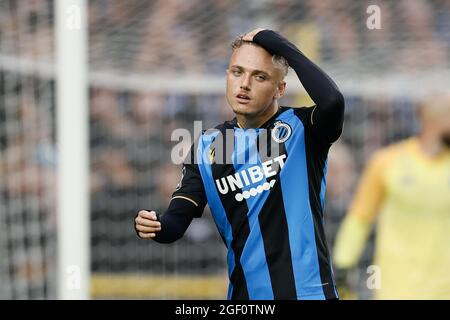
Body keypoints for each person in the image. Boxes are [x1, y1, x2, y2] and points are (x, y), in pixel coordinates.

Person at [134, 28, 345, 300]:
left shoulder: (303, 129)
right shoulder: (209, 146)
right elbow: (176, 221)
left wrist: (278, 43)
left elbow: (332, 100)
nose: (244, 84)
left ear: (280, 88)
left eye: (260, 76)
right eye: (237, 72)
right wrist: (156, 225)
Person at [333, 93, 450, 299]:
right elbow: (360, 218)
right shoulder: (387, 162)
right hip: (396, 289)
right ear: (437, 119)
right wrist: (342, 266)